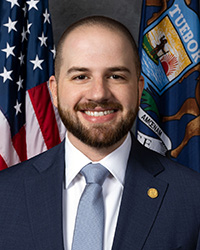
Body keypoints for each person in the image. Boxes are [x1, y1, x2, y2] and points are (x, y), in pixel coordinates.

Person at [0, 15, 200, 250]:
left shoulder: (193, 198)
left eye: (116, 76)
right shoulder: (5, 195)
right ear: (54, 91)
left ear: (139, 89)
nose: (98, 94)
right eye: (81, 76)